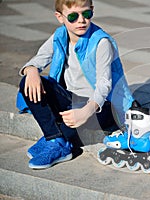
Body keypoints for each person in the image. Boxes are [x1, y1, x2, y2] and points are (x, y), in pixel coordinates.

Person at [17, 0, 134, 169]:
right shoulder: (59, 35)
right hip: (70, 98)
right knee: (27, 82)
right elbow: (39, 58)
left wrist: (86, 111)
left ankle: (55, 139)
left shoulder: (101, 42)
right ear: (59, 17)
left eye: (86, 14)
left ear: (92, 11)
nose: (81, 20)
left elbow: (104, 83)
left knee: (73, 129)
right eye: (73, 16)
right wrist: (32, 70)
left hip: (101, 106)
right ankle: (56, 140)